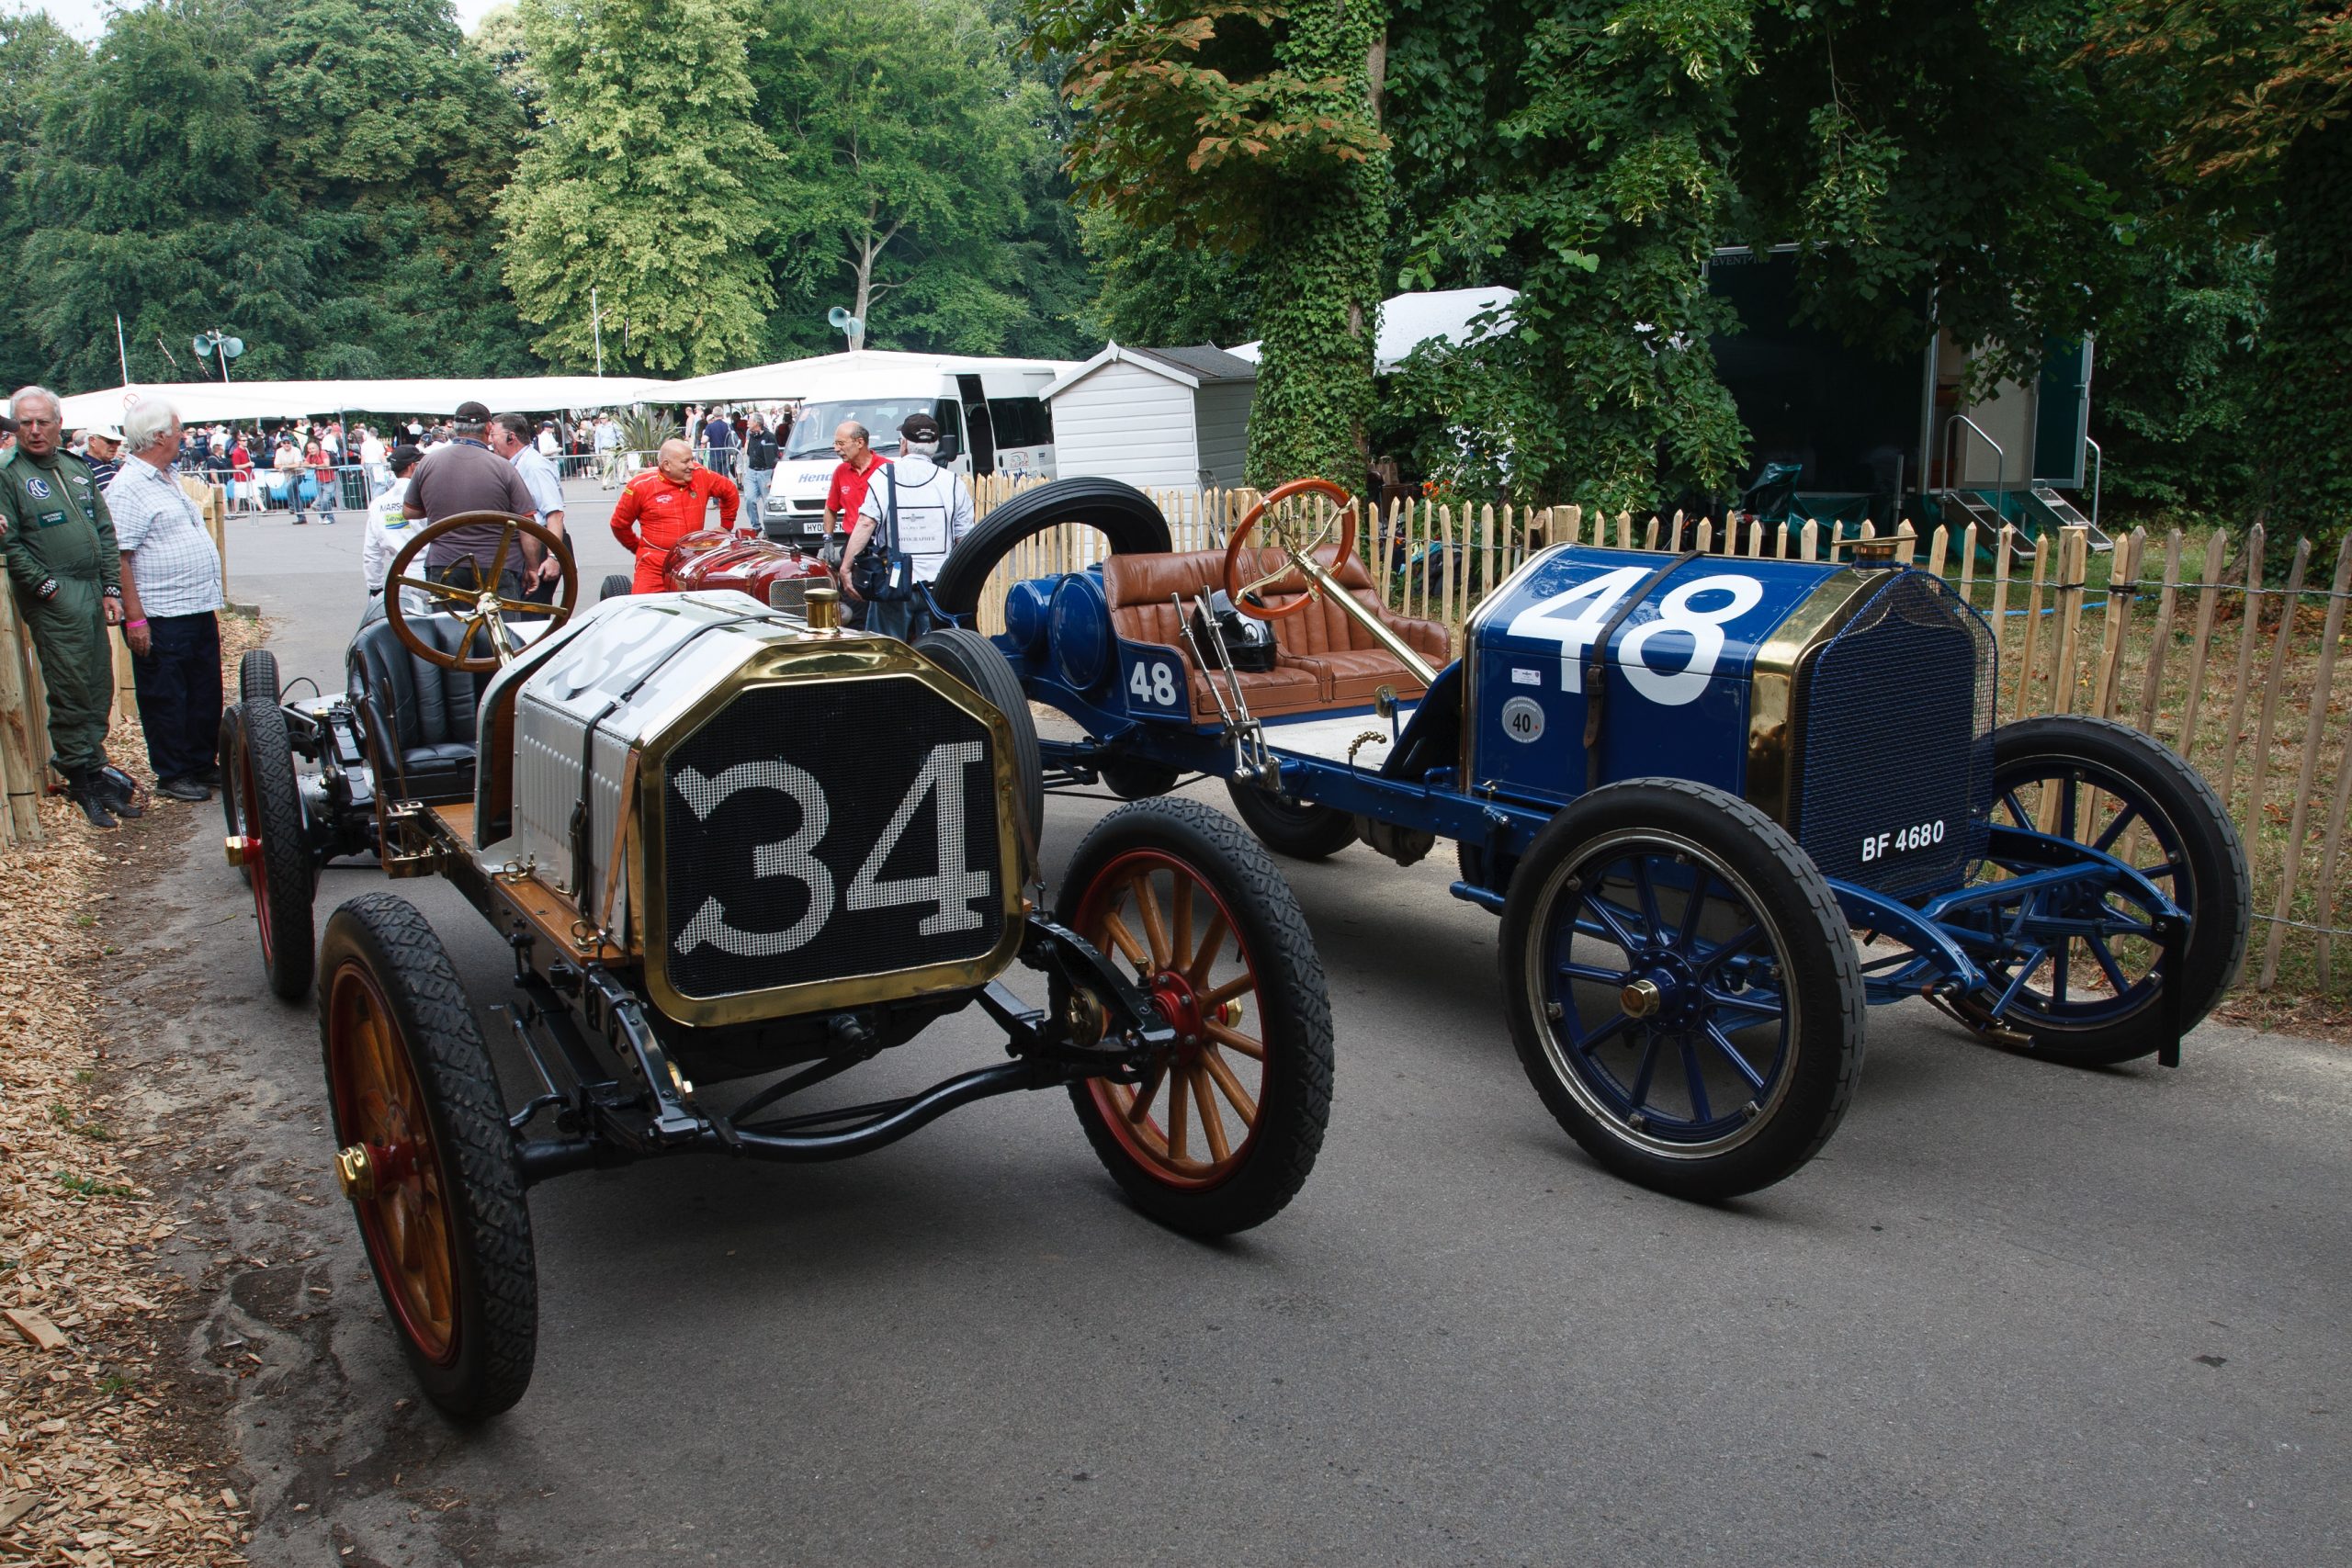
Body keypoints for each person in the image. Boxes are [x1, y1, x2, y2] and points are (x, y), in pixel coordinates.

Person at [0, 387, 141, 827]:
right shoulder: (10, 474)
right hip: (56, 594)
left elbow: (103, 528)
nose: (35, 431)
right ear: (16, 427)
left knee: (98, 683)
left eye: (43, 421)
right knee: (71, 685)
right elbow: (9, 540)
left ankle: (94, 768)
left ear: (60, 423)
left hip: (92, 587)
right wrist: (44, 587)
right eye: (25, 423)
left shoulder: (75, 468)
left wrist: (111, 589)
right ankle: (79, 775)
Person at [106, 398, 224, 804]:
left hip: (192, 606)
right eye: (177, 430)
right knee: (166, 696)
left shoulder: (165, 476)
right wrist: (135, 619)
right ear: (158, 436)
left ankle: (200, 762)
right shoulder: (129, 486)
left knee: (204, 690)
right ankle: (173, 773)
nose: (182, 436)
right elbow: (120, 556)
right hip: (160, 613)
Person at [843, 411, 973, 639]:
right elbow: (964, 539)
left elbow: (865, 523)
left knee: (886, 653)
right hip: (938, 586)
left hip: (893, 585)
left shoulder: (884, 476)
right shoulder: (952, 482)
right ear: (936, 444)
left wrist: (846, 567)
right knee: (937, 655)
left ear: (903, 444)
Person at [402, 400, 538, 598]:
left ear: (455, 427)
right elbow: (527, 524)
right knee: (501, 626)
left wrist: (442, 506)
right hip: (496, 564)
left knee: (448, 626)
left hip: (445, 562)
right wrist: (533, 567)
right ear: (488, 428)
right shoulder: (503, 467)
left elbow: (409, 511)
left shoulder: (428, 463)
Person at [608, 437, 740, 593]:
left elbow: (730, 491)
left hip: (692, 561)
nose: (692, 465)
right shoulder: (640, 486)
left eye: (692, 459)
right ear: (666, 465)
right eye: (686, 462)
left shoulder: (701, 475)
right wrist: (637, 547)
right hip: (654, 564)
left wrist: (726, 526)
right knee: (641, 610)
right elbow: (619, 524)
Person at [489, 411, 570, 604]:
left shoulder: (534, 467)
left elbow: (555, 514)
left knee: (533, 612)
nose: (490, 441)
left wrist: (553, 558)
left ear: (511, 437)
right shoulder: (517, 464)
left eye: (493, 435)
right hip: (532, 543)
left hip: (544, 544)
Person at [360, 444, 427, 610]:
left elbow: (372, 552)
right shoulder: (427, 497)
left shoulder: (378, 504)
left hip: (399, 577)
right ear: (413, 466)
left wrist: (375, 588)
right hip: (429, 574)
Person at [820, 421, 888, 539]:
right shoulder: (840, 471)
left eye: (841, 443)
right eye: (835, 443)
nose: (836, 449)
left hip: (884, 542)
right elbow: (831, 507)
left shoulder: (888, 468)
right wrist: (828, 538)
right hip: (854, 541)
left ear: (859, 442)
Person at [741, 412, 778, 530]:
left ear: (757, 423)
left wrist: (772, 473)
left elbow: (774, 455)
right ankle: (756, 526)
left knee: (767, 501)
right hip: (752, 471)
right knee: (749, 498)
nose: (747, 422)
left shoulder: (769, 436)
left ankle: (768, 528)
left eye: (750, 420)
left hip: (765, 472)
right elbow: (748, 450)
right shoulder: (750, 434)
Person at [303, 436, 337, 525]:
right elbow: (305, 464)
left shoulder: (323, 453)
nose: (311, 450)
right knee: (324, 501)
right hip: (319, 480)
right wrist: (310, 465)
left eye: (313, 448)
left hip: (329, 479)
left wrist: (316, 465)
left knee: (325, 500)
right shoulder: (310, 456)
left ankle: (322, 515)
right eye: (309, 449)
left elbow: (326, 464)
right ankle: (330, 518)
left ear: (317, 448)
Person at [81, 426, 124, 491]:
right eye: (110, 441)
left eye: (118, 442)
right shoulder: (83, 468)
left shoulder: (115, 465)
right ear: (92, 441)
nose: (115, 446)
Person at [701, 409, 737, 479]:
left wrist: (701, 453)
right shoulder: (728, 426)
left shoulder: (710, 426)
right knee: (725, 476)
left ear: (713, 415)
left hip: (714, 455)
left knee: (714, 476)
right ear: (722, 414)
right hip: (726, 454)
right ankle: (724, 489)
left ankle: (716, 489)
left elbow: (704, 440)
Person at [594, 413, 623, 488]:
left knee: (609, 465)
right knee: (606, 466)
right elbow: (597, 440)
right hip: (603, 449)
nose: (602, 420)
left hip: (611, 449)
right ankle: (614, 482)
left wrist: (622, 445)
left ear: (607, 418)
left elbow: (620, 435)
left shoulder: (613, 426)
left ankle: (605, 482)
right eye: (601, 418)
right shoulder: (599, 428)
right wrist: (597, 452)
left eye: (603, 418)